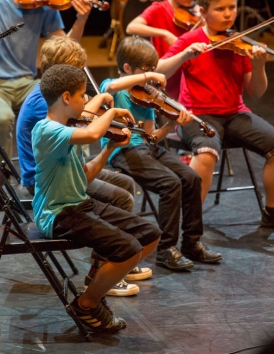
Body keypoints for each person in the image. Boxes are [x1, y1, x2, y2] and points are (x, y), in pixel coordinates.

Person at [157, 0, 274, 231]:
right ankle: (190, 225)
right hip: (196, 115)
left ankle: (273, 213)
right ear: (203, 12)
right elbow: (158, 71)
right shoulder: (190, 40)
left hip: (235, 113)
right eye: (220, 9)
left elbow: (256, 92)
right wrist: (184, 56)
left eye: (232, 7)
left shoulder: (240, 42)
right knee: (207, 153)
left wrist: (258, 67)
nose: (228, 14)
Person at [33, 63, 161, 332]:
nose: (86, 103)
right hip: (58, 214)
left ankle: (99, 283)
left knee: (150, 235)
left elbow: (85, 175)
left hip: (79, 205)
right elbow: (92, 131)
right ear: (66, 98)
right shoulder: (46, 130)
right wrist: (111, 111)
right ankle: (87, 303)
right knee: (129, 249)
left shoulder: (68, 127)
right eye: (82, 96)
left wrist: (109, 149)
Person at [18, 36, 149, 296]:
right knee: (122, 197)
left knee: (125, 183)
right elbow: (83, 127)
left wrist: (97, 103)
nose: (81, 75)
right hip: (46, 181)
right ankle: (102, 271)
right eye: (76, 70)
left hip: (65, 168)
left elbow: (79, 117)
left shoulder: (50, 97)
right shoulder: (40, 105)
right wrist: (105, 111)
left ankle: (117, 260)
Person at [101, 36, 222, 270]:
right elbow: (112, 86)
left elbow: (150, 137)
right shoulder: (113, 86)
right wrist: (148, 76)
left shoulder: (148, 98)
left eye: (153, 70)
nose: (152, 77)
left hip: (147, 148)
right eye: (145, 70)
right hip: (122, 150)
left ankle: (192, 242)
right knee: (170, 183)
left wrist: (170, 125)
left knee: (190, 178)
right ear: (128, 69)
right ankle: (166, 249)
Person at [0, 0, 92, 158]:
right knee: (2, 118)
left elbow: (67, 53)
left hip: (26, 83)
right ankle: (0, 179)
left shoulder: (43, 4)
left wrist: (81, 20)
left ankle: (82, 169)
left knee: (71, 102)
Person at [126, 0, 201, 99]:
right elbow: (131, 27)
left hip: (188, 74)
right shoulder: (159, 8)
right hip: (165, 72)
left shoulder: (196, 11)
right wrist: (164, 33)